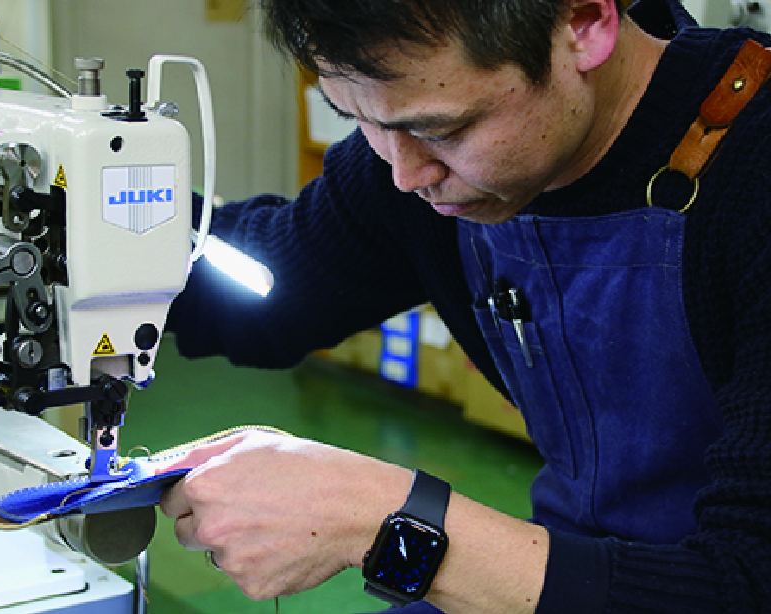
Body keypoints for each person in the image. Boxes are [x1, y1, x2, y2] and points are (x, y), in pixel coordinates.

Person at [159, 0, 771, 611]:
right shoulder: (416, 160)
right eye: (356, 117)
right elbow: (272, 289)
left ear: (584, 24)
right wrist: (124, 230)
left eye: (443, 132)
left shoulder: (753, 171)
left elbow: (745, 584)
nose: (406, 175)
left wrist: (377, 517)